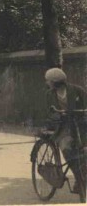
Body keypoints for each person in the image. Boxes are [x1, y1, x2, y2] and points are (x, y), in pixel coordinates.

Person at [44, 67, 87, 195]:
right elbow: (49, 113)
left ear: (55, 81)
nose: (47, 83)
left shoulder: (77, 90)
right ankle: (80, 180)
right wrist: (58, 115)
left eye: (48, 81)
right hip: (62, 128)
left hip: (81, 125)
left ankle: (83, 175)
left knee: (84, 150)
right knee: (68, 150)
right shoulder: (49, 95)